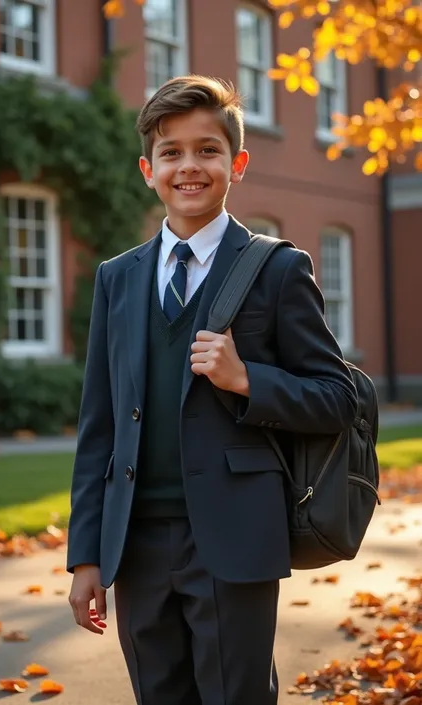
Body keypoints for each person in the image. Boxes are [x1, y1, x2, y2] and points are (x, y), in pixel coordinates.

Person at [67, 74, 357, 705]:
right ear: (148, 169)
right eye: (171, 152)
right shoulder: (117, 279)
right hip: (136, 542)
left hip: (235, 537)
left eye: (207, 150)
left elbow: (338, 399)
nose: (188, 166)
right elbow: (100, 426)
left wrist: (248, 380)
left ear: (238, 163)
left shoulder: (278, 268)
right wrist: (85, 555)